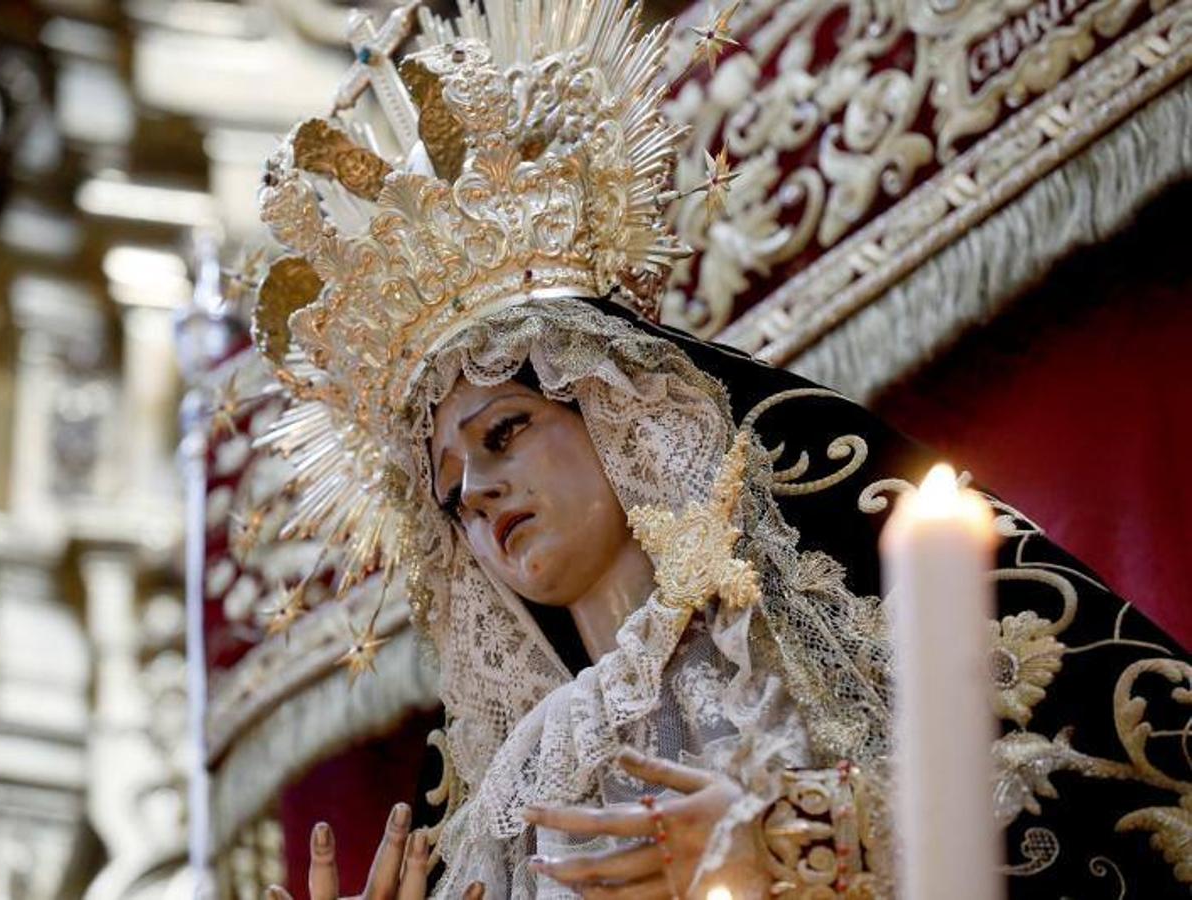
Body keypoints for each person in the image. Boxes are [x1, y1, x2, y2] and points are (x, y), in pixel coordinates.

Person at [249, 2, 1191, 896]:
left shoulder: (789, 668)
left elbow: (1071, 819)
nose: (483, 497)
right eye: (451, 495)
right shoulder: (505, 794)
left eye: (504, 433)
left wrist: (800, 855)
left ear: (619, 413)